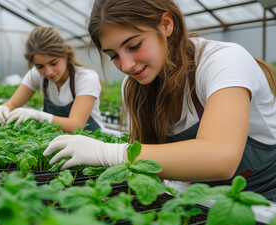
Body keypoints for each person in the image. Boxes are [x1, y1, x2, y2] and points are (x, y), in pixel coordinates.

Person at [43, 0, 276, 201]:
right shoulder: (134, 87)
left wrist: (110, 153)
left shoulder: (222, 61)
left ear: (166, 24)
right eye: (113, 56)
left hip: (266, 201)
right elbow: (152, 163)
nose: (126, 66)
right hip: (201, 201)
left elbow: (221, 158)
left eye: (134, 46)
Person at [0, 26, 104, 133]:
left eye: (53, 63)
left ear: (65, 53)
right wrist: (3, 108)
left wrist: (39, 116)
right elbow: (13, 103)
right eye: (40, 66)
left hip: (91, 142)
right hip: (55, 142)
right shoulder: (36, 75)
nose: (48, 72)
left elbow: (76, 125)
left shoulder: (86, 78)